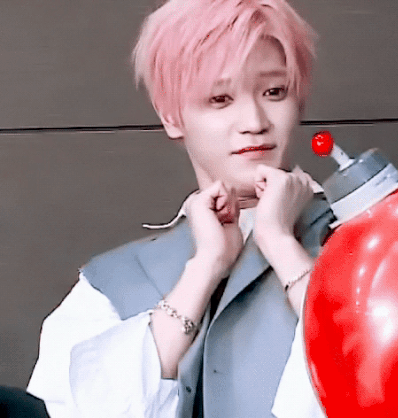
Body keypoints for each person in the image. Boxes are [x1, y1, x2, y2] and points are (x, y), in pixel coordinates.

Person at [27, 0, 333, 416]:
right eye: (220, 98)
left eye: (274, 91)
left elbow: (383, 379)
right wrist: (204, 268)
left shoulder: (370, 241)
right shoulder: (109, 285)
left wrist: (280, 243)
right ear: (171, 115)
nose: (254, 121)